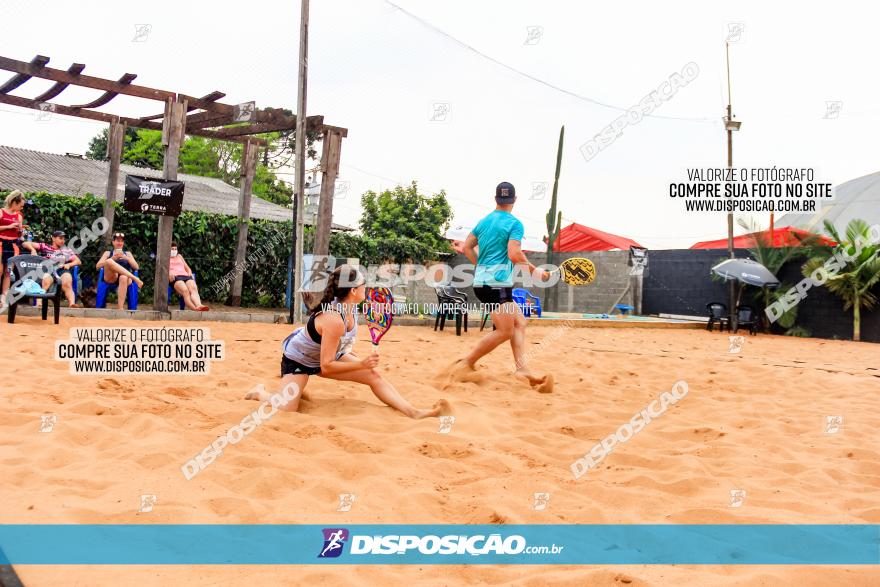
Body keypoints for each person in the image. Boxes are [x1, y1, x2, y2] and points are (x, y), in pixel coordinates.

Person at [245, 264, 451, 419]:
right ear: (353, 290)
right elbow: (325, 367)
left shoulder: (350, 305)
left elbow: (336, 351)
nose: (366, 287)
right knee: (288, 408)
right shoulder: (334, 319)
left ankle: (413, 412)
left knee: (373, 375)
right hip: (300, 360)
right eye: (363, 284)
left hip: (331, 353)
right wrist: (360, 363)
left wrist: (360, 364)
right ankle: (260, 393)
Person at [455, 181, 553, 392]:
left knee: (520, 322)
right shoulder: (514, 224)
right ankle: (466, 363)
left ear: (496, 199)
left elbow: (467, 248)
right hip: (495, 285)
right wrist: (536, 272)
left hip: (485, 283)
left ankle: (522, 369)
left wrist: (481, 266)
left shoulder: (484, 222)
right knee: (505, 331)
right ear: (514, 200)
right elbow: (514, 254)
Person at [22, 230, 82, 308]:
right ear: (53, 238)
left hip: (62, 269)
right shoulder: (44, 246)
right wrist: (33, 250)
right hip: (47, 269)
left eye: (64, 239)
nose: (63, 241)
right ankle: (39, 304)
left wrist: (69, 264)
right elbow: (25, 243)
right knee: (46, 281)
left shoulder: (66, 250)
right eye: (60, 238)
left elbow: (78, 261)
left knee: (67, 281)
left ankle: (72, 304)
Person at [96, 232, 143, 309]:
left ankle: (120, 308)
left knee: (123, 277)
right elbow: (97, 266)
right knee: (109, 261)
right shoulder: (108, 253)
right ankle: (135, 278)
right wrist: (113, 258)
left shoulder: (128, 254)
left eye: (121, 241)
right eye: (118, 241)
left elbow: (136, 267)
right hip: (111, 277)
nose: (120, 243)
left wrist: (126, 258)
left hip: (126, 279)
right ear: (113, 242)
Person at [0, 190, 29, 308]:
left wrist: (21, 232)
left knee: (8, 272)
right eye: (20, 206)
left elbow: (19, 235)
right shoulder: (1, 212)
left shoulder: (19, 216)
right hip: (1, 243)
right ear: (14, 202)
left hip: (13, 245)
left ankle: (4, 296)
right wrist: (9, 226)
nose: (21, 208)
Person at [168, 242, 209, 311]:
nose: (174, 251)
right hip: (175, 277)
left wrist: (190, 274)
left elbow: (187, 268)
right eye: (172, 249)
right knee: (185, 291)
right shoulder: (165, 258)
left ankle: (199, 305)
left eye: (175, 249)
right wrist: (169, 274)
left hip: (185, 275)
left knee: (193, 289)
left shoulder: (179, 256)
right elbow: (164, 269)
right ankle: (195, 308)